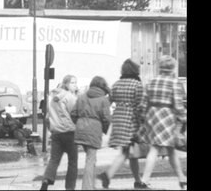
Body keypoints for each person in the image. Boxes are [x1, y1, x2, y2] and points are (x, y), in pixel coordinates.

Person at [97, 58, 149, 189]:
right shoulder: (137, 85)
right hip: (131, 121)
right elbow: (140, 106)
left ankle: (137, 181)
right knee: (127, 151)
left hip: (119, 120)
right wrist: (144, 122)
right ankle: (108, 175)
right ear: (135, 70)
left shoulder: (116, 84)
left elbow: (109, 101)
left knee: (130, 153)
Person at [138, 56, 187, 189]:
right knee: (156, 148)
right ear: (172, 68)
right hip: (167, 116)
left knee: (169, 149)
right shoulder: (174, 82)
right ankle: (144, 180)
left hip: (152, 115)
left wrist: (143, 117)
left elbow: (143, 102)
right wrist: (183, 118)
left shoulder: (151, 81)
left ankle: (182, 178)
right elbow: (177, 104)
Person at [71, 76, 112, 190]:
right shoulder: (103, 100)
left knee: (91, 158)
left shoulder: (82, 97)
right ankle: (87, 187)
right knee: (90, 159)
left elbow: (73, 113)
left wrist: (79, 123)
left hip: (81, 129)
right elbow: (106, 118)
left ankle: (91, 185)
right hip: (94, 131)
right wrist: (105, 130)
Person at [40, 75, 79, 191]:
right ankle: (70, 187)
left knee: (54, 159)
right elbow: (76, 114)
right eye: (73, 83)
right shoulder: (70, 97)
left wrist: (52, 128)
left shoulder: (53, 99)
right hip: (69, 133)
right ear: (66, 84)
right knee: (72, 161)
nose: (75, 85)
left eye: (75, 83)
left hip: (56, 133)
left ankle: (46, 180)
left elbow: (47, 118)